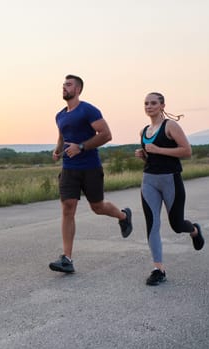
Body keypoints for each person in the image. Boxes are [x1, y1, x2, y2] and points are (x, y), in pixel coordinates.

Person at [49, 74, 133, 274]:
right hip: (69, 168)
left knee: (97, 207)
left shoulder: (88, 110)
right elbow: (62, 137)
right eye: (63, 85)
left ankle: (123, 216)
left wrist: (81, 147)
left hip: (90, 167)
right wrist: (57, 150)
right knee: (68, 208)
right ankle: (67, 258)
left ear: (78, 89)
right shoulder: (60, 115)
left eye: (68, 85)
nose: (64, 88)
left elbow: (106, 134)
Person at [135, 92, 205, 286]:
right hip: (149, 181)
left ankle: (193, 230)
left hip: (170, 180)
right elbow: (152, 157)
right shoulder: (143, 131)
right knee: (153, 224)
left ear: (162, 105)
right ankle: (159, 269)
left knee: (176, 225)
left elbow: (186, 151)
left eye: (153, 103)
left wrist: (158, 150)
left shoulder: (171, 126)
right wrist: (144, 155)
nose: (149, 106)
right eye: (146, 103)